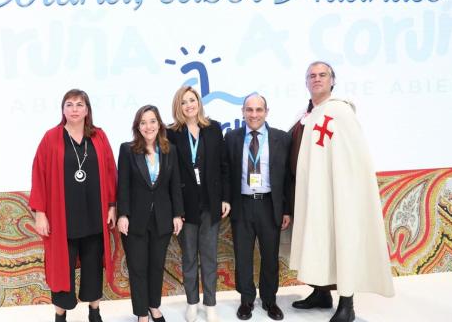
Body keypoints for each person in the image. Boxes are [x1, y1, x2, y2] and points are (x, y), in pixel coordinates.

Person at [288, 61, 394, 322]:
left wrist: (345, 191)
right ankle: (321, 293)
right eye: (311, 75)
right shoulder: (308, 113)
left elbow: (354, 156)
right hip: (314, 193)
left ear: (332, 81)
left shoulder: (340, 112)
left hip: (337, 192)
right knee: (318, 242)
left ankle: (347, 305)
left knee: (341, 241)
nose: (317, 79)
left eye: (322, 75)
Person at [29, 89, 117, 322]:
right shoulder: (51, 137)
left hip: (94, 217)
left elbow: (110, 172)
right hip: (62, 220)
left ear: (87, 110)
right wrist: (40, 212)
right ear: (63, 110)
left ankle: (94, 311)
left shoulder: (99, 136)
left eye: (80, 104)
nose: (75, 109)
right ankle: (60, 314)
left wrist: (111, 205)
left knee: (93, 267)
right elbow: (39, 174)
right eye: (69, 104)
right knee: (61, 269)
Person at [223, 93, 291, 321]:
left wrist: (287, 210)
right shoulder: (231, 137)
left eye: (258, 110)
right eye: (249, 110)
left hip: (269, 204)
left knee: (270, 257)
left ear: (266, 112)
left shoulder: (281, 138)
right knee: (242, 257)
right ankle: (246, 300)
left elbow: (288, 178)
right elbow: (225, 173)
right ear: (243, 112)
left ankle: (270, 300)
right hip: (242, 205)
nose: (254, 114)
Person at [166, 86, 229, 322]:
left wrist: (225, 198)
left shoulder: (213, 128)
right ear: (178, 107)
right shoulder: (171, 133)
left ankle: (210, 304)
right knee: (189, 257)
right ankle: (192, 302)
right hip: (185, 208)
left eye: (192, 100)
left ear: (199, 103)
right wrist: (176, 209)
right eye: (183, 102)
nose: (189, 105)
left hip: (211, 205)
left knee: (210, 257)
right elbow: (170, 175)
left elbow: (223, 167)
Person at [117, 105, 184, 322]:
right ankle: (141, 314)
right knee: (138, 268)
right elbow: (123, 185)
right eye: (143, 122)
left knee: (156, 266)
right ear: (138, 126)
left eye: (152, 121)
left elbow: (175, 185)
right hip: (135, 220)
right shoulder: (127, 150)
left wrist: (177, 214)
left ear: (159, 124)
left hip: (162, 219)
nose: (148, 126)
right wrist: (123, 214)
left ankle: (154, 306)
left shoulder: (169, 150)